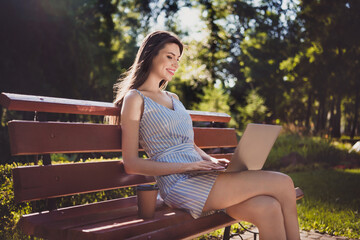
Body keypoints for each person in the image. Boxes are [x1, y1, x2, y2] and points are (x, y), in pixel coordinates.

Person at [113, 30, 300, 240]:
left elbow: (188, 144)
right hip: (178, 184)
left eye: (178, 59)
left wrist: (210, 160)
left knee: (269, 208)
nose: (175, 63)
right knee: (283, 183)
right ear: (150, 54)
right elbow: (130, 163)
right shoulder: (135, 98)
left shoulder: (173, 97)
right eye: (169, 56)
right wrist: (188, 166)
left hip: (201, 174)